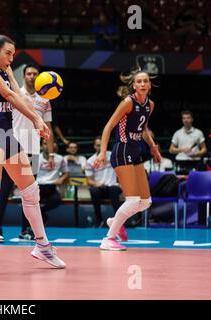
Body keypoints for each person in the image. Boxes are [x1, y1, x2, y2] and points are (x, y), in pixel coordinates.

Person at [0, 28, 65, 272]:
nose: (12, 59)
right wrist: (36, 119)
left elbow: (17, 93)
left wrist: (11, 73)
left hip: (8, 134)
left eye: (13, 55)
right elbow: (11, 95)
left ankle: (42, 246)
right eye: (8, 54)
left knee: (31, 191)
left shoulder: (4, 69)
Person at [94, 68, 161, 251]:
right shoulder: (127, 102)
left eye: (145, 81)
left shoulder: (150, 105)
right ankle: (108, 239)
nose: (142, 84)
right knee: (132, 200)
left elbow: (144, 129)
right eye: (139, 81)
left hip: (135, 152)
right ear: (133, 85)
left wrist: (153, 147)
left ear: (149, 84)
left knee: (146, 202)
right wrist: (102, 152)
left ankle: (115, 221)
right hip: (121, 150)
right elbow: (108, 127)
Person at [0, 63, 57, 242]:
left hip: (34, 151)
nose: (32, 76)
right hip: (12, 148)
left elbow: (48, 128)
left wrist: (50, 154)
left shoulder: (45, 100)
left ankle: (25, 230)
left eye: (35, 73)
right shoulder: (14, 94)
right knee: (4, 190)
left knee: (29, 193)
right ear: (24, 76)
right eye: (29, 73)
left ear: (39, 77)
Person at [85, 137, 122, 228]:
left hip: (113, 186)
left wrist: (121, 184)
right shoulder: (90, 161)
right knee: (94, 191)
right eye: (98, 145)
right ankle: (99, 220)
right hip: (100, 188)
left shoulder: (113, 156)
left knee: (114, 189)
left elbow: (121, 171)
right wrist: (97, 184)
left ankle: (119, 222)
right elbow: (89, 179)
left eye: (102, 145)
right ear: (94, 147)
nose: (100, 147)